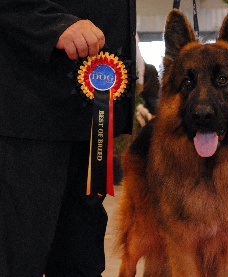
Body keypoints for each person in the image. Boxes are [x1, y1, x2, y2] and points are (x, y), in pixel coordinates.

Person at [0, 1, 135, 276]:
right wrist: (53, 24)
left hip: (92, 117)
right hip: (33, 112)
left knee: (82, 259)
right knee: (20, 257)